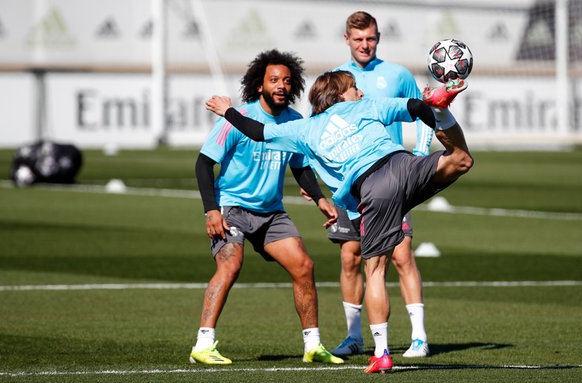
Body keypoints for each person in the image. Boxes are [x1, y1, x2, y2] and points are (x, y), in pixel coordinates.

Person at [205, 70, 472, 373]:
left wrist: (227, 110)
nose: (360, 91)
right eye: (354, 87)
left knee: (374, 270)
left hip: (374, 188)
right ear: (339, 94)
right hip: (405, 166)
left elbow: (256, 131)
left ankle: (382, 352)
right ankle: (444, 110)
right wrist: (435, 111)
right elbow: (414, 108)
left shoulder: (304, 129)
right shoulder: (366, 107)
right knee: (461, 159)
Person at [191, 49, 342, 366]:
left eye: (287, 81)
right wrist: (211, 210)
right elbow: (204, 163)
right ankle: (203, 344)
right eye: (274, 80)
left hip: (271, 213)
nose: (281, 86)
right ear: (259, 85)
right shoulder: (238, 118)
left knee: (304, 266)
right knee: (230, 266)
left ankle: (313, 345)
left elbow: (300, 167)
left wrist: (320, 199)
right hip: (232, 207)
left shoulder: (294, 122)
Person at [328, 11, 433, 359]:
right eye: (358, 39)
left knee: (402, 254)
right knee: (349, 256)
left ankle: (419, 337)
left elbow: (423, 111)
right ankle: (354, 336)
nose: (365, 45)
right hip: (351, 183)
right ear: (346, 39)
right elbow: (321, 128)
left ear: (378, 37)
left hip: (390, 179)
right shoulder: (337, 81)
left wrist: (420, 152)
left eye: (370, 38)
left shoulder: (397, 75)